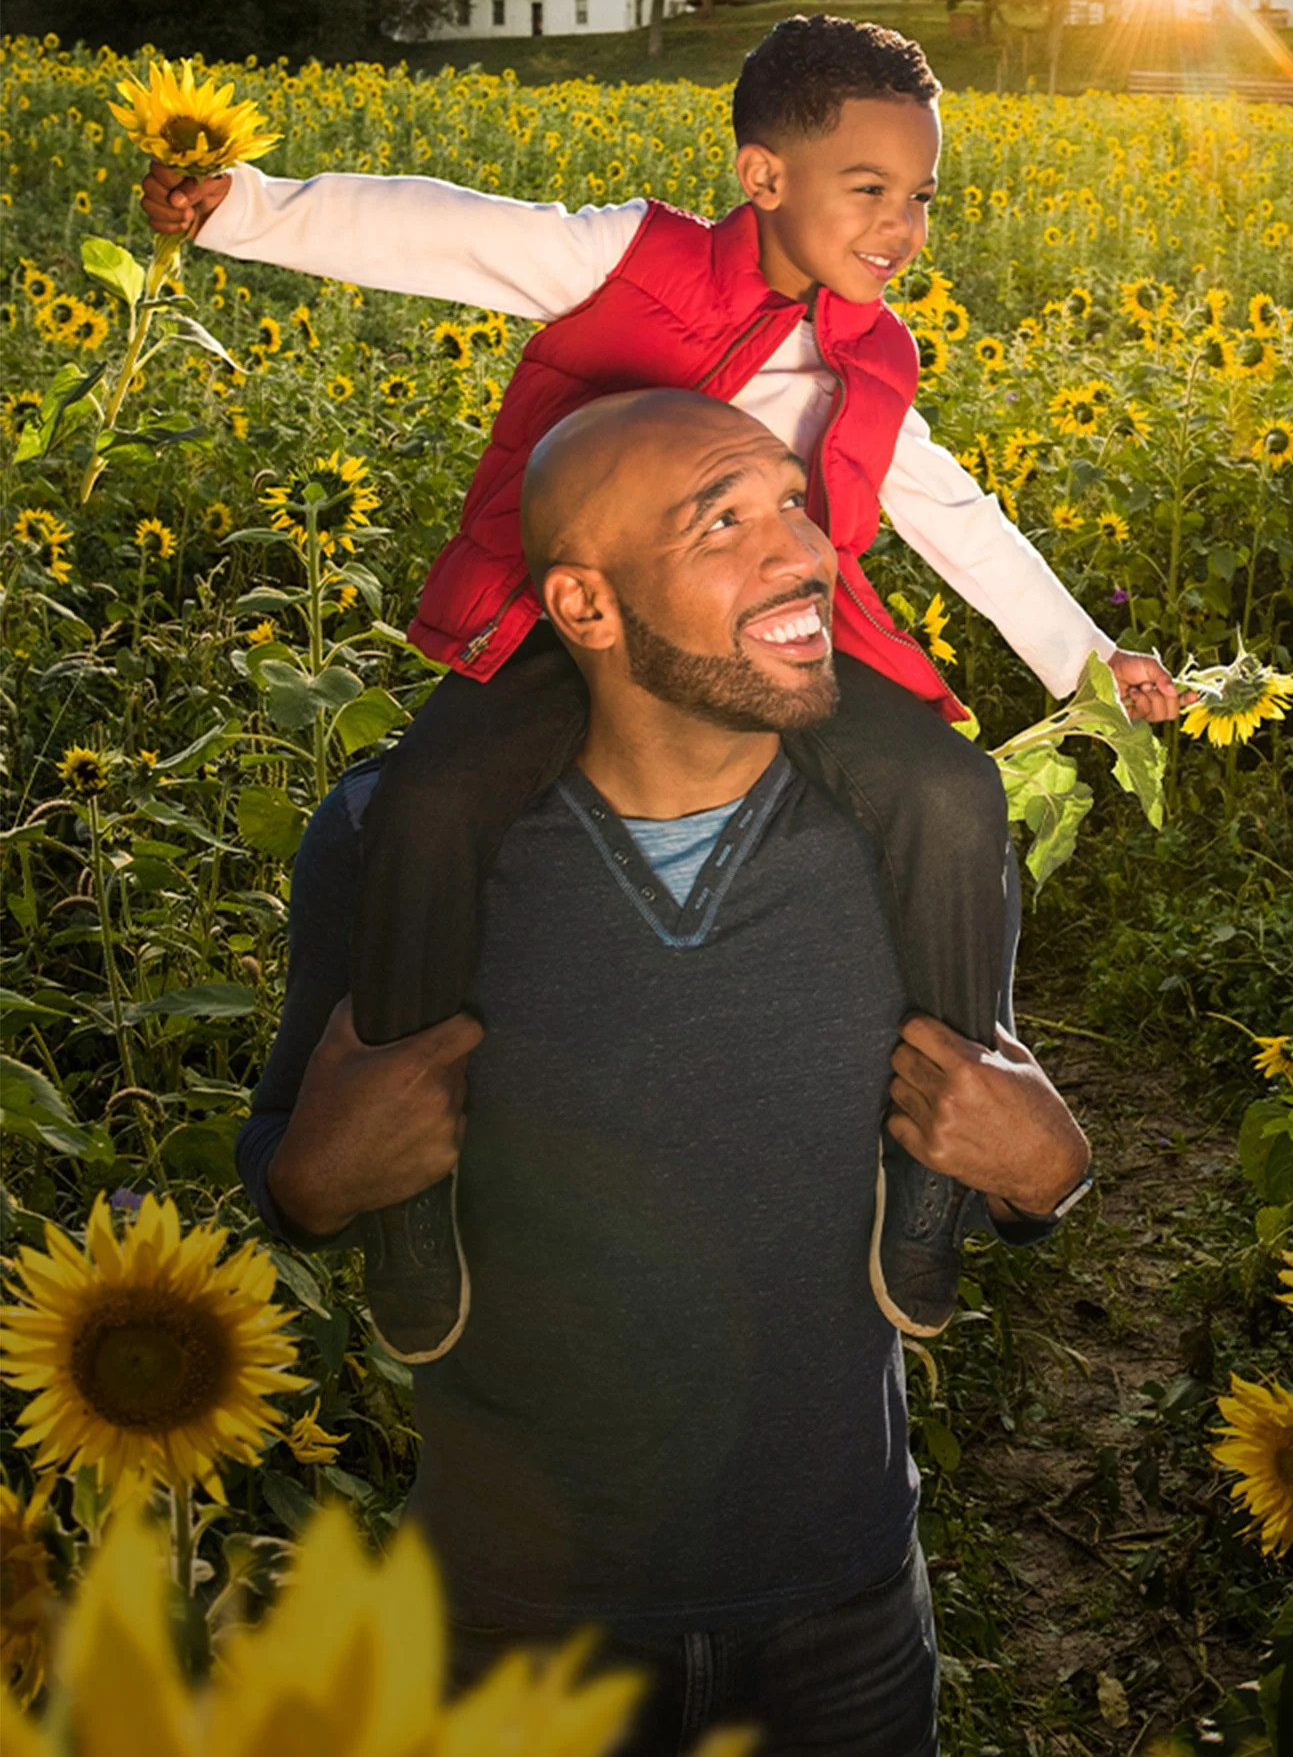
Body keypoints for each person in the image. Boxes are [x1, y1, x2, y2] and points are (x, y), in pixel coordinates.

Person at [142, 16, 1178, 1361]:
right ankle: (404, 1203)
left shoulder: (874, 352)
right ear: (762, 178)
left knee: (950, 794)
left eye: (921, 196)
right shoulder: (619, 259)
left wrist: (1091, 662)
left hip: (775, 630)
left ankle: (943, 1159)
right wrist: (243, 208)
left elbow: (952, 509)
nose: (902, 225)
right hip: (560, 620)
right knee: (424, 809)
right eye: (868, 190)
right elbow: (438, 226)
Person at [237, 389, 1095, 1757]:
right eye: (725, 522)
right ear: (584, 606)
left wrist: (1048, 1175)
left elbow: (987, 1130)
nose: (805, 551)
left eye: (795, 506)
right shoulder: (391, 848)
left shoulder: (908, 838)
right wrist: (315, 1177)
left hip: (850, 1611)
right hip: (507, 1628)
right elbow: (287, 1168)